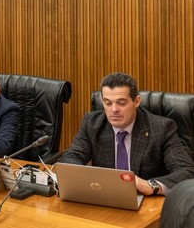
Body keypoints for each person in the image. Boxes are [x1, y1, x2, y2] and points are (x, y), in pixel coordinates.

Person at [60, 72, 194, 196]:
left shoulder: (161, 128)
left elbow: (186, 172)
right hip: (106, 199)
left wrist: (150, 185)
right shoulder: (92, 124)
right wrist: (89, 180)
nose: (113, 110)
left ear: (136, 101)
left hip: (146, 204)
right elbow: (72, 157)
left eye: (121, 103)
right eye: (107, 103)